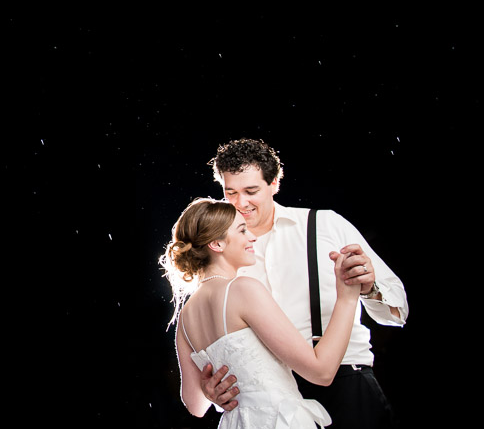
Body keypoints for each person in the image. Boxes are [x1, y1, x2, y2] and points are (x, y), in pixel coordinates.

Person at [200, 138, 407, 428]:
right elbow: (213, 336)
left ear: (274, 184)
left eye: (251, 191)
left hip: (346, 383)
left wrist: (369, 287)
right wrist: (208, 390)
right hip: (271, 402)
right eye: (230, 192)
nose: (239, 203)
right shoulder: (217, 252)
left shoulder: (326, 225)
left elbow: (398, 312)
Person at [161, 198, 360, 428]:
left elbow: (195, 406)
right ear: (216, 244)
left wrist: (210, 391)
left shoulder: (185, 316)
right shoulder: (243, 289)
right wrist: (347, 297)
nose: (252, 237)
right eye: (242, 230)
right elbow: (322, 372)